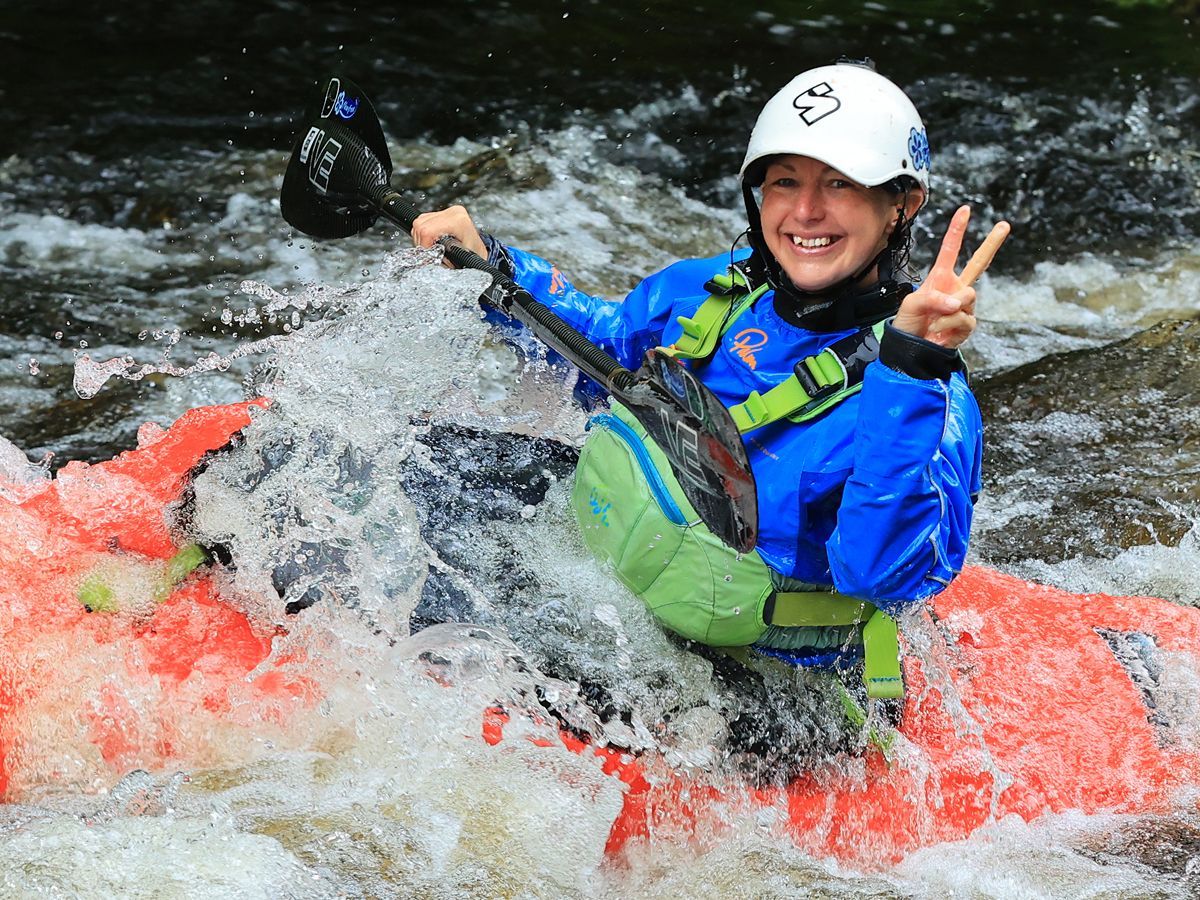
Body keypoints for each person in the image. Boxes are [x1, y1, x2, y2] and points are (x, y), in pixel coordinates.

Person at [410, 60, 1006, 699]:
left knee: (464, 647)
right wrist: (491, 264)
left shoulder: (927, 399)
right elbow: (596, 357)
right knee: (422, 460)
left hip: (779, 683)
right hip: (648, 574)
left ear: (901, 205)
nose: (805, 211)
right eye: (784, 182)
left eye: (840, 184)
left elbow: (879, 572)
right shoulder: (713, 291)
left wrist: (912, 366)